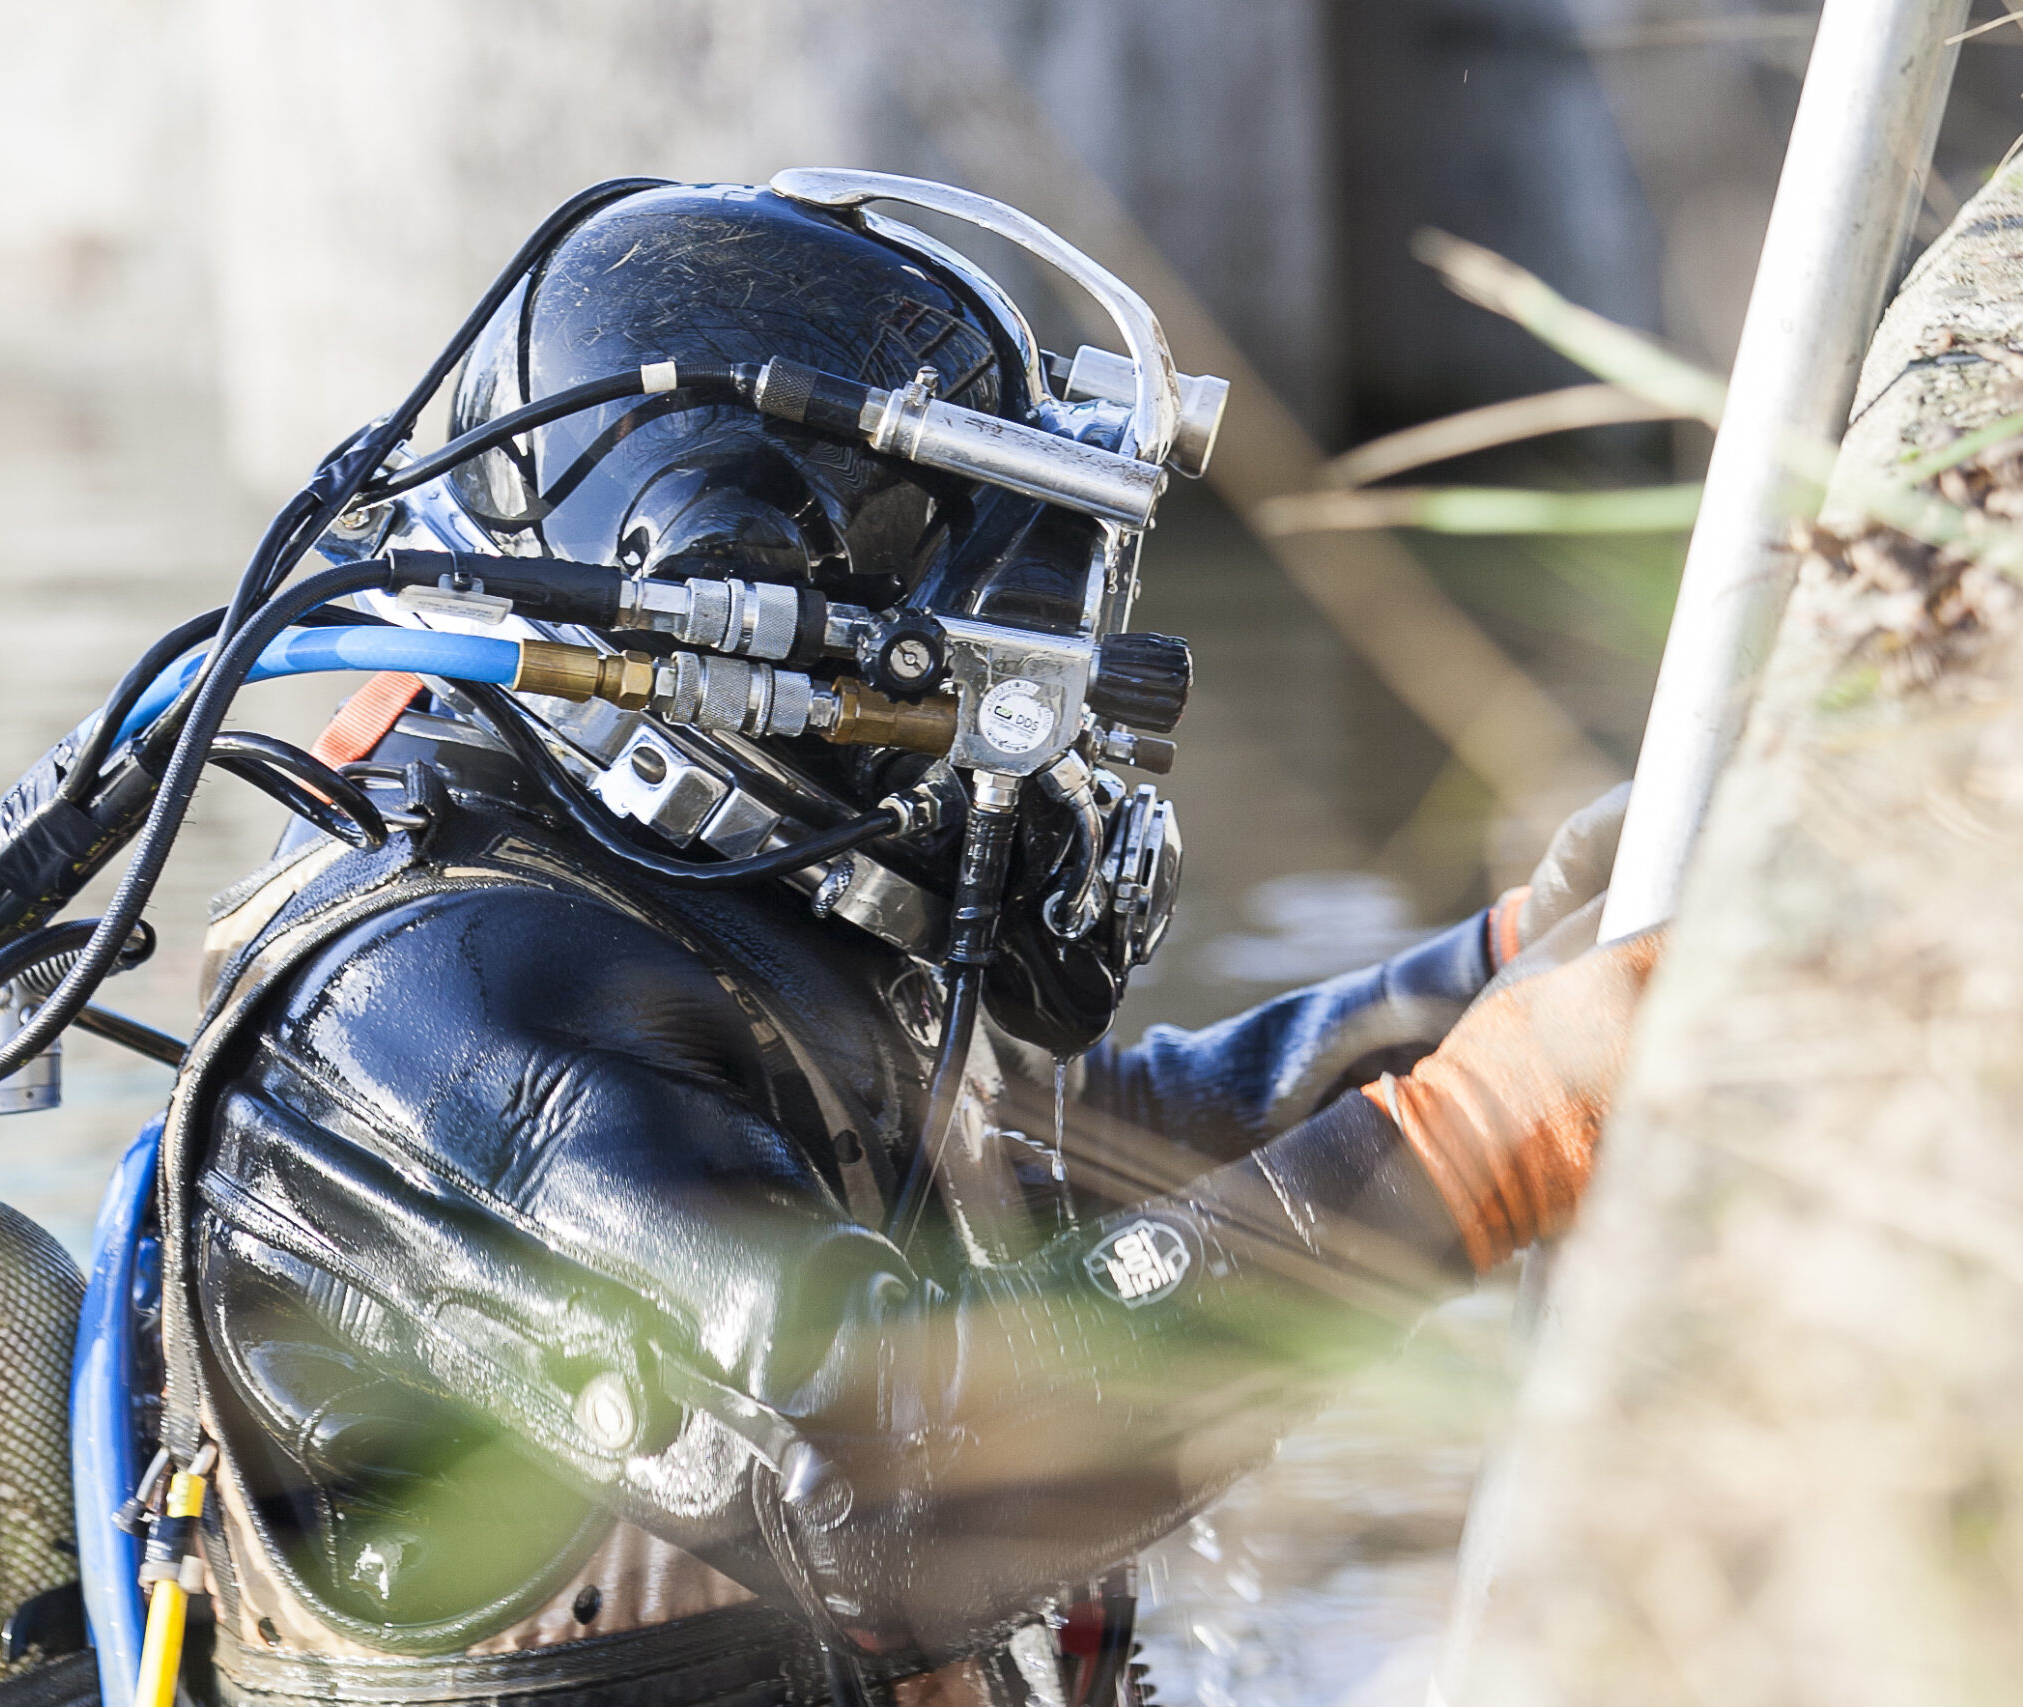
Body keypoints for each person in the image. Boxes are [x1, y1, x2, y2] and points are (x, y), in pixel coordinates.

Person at [148, 181, 1660, 1707]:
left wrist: (1492, 976)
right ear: (740, 616)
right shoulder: (433, 1017)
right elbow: (888, 1479)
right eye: (1001, 640)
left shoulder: (667, 893)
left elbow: (1023, 1181)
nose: (1059, 724)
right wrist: (1468, 1148)